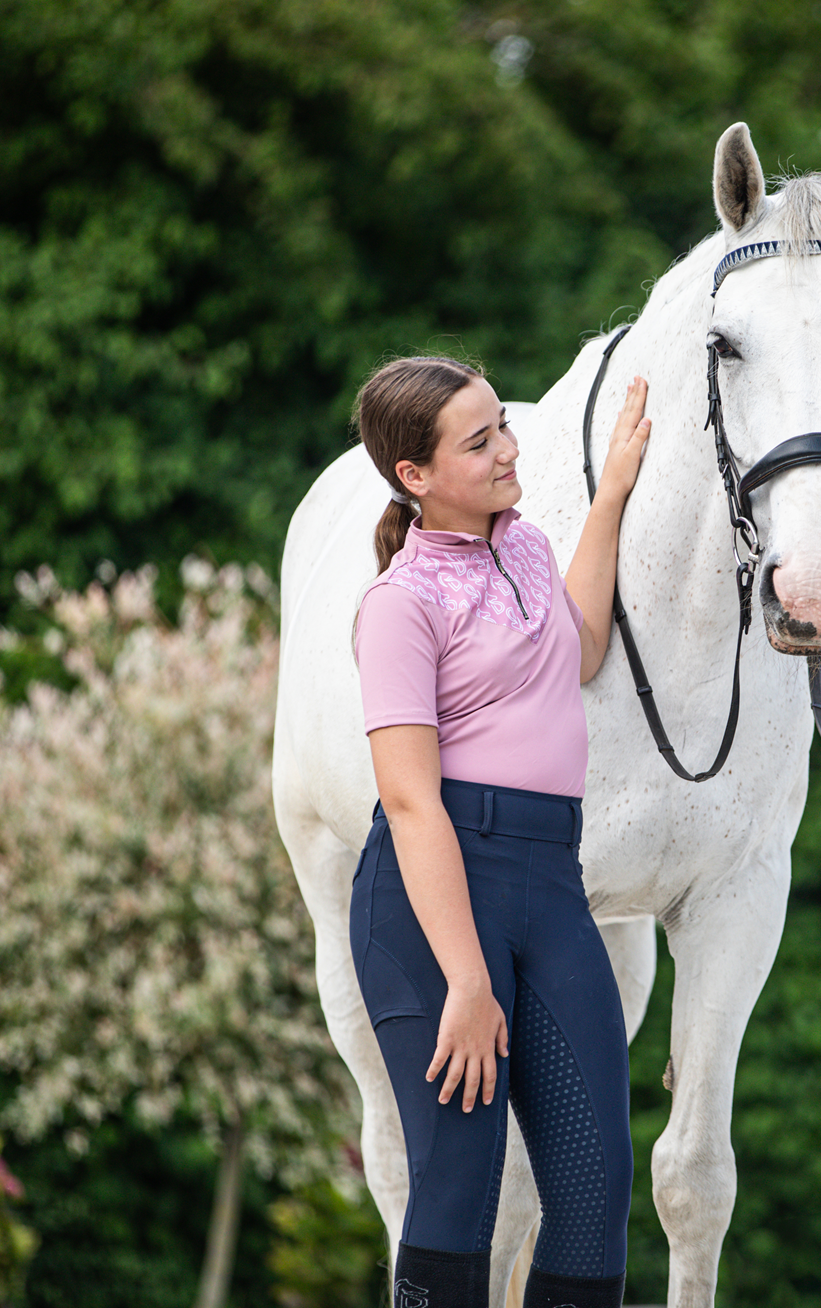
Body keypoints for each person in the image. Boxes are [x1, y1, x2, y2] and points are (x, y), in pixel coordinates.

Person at [349, 355, 652, 1308]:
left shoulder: (524, 550)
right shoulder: (401, 604)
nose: (508, 450)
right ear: (415, 476)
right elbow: (409, 801)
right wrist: (469, 982)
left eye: (503, 427)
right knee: (459, 1191)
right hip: (435, 900)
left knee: (597, 1187)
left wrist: (609, 498)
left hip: (550, 882)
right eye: (479, 442)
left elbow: (584, 650)